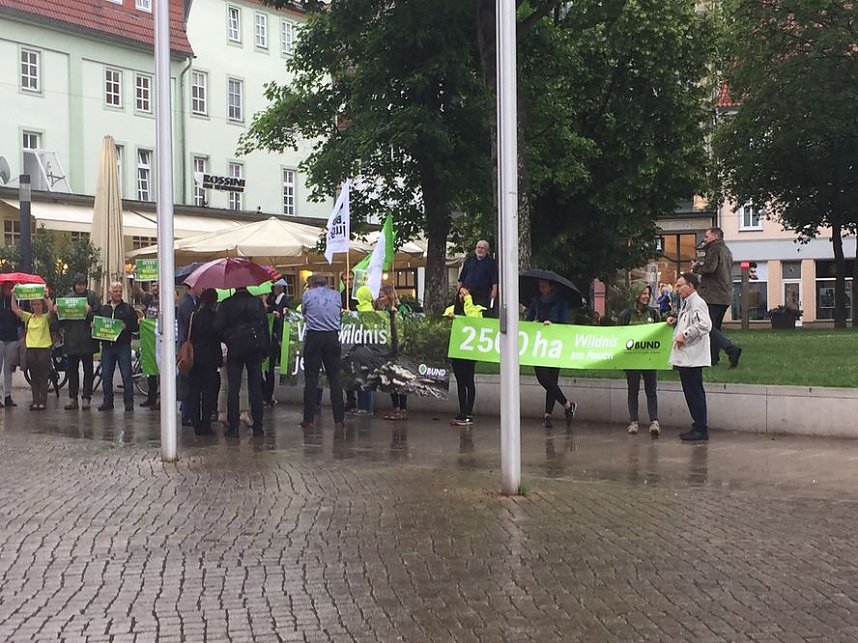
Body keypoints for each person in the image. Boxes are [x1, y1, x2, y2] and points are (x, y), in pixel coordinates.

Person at [215, 285, 269, 437]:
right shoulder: (256, 302)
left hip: (235, 348)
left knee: (233, 388)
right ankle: (258, 426)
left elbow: (218, 327)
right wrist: (265, 349)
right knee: (255, 387)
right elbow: (264, 326)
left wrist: (228, 338)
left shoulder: (227, 304)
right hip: (254, 348)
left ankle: (233, 427)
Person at [666, 272, 712, 442]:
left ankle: (701, 428)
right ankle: (698, 424)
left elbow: (705, 324)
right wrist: (676, 323)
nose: (677, 289)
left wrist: (685, 335)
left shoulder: (697, 303)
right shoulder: (687, 303)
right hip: (687, 357)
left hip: (693, 357)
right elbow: (689, 322)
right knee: (691, 392)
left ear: (690, 286)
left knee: (694, 392)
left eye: (680, 286)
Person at [525, 279, 578, 428]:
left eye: (544, 287)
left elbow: (565, 324)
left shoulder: (561, 302)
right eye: (540, 286)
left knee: (552, 379)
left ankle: (547, 415)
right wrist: (533, 323)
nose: (541, 289)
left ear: (551, 287)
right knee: (543, 378)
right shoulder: (536, 300)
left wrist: (553, 325)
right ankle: (568, 405)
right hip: (539, 344)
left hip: (555, 344)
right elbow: (528, 319)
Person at [692, 227, 742, 368]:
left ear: (714, 236)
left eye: (707, 236)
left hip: (712, 295)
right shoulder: (726, 251)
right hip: (724, 295)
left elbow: (710, 268)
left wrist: (696, 267)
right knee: (715, 327)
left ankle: (731, 349)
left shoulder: (714, 249)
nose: (704, 239)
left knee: (707, 327)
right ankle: (713, 359)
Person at [300, 274, 345, 429]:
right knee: (335, 378)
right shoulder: (336, 295)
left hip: (314, 336)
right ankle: (339, 418)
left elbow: (304, 313)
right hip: (332, 337)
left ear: (312, 283)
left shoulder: (308, 295)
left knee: (311, 378)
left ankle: (308, 419)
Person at [619, 282, 661, 437]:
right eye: (643, 294)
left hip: (649, 358)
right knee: (633, 390)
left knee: (651, 390)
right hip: (632, 360)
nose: (646, 297)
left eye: (647, 294)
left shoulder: (653, 313)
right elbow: (619, 334)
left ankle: (654, 421)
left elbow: (660, 330)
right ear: (636, 295)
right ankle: (634, 421)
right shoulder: (626, 315)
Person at [445, 286, 485, 426]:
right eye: (460, 293)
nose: (462, 295)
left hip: (469, 352)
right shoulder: (452, 308)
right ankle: (462, 411)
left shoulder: (476, 309)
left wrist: (468, 301)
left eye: (465, 293)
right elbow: (444, 318)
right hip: (457, 351)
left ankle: (468, 412)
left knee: (469, 382)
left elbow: (473, 319)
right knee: (460, 383)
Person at [59, 274, 100, 410]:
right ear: (74, 285)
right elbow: (61, 321)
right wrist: (56, 311)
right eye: (78, 284)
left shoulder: (92, 297)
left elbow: (98, 318)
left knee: (88, 371)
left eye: (83, 284)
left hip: (88, 341)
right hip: (72, 341)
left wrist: (90, 312)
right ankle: (72, 398)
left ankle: (86, 398)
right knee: (72, 371)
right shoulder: (67, 298)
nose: (81, 287)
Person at [97, 282, 139, 413]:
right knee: (106, 376)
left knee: (126, 376)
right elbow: (99, 324)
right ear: (110, 293)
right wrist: (95, 326)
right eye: (116, 291)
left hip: (123, 346)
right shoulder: (104, 309)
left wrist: (127, 326)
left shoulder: (128, 309)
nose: (118, 294)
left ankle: (129, 403)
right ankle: (108, 402)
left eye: (120, 291)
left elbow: (136, 327)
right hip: (107, 347)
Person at [10, 293, 56, 411]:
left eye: (39, 304)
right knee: (34, 378)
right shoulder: (28, 317)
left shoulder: (45, 317)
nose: (37, 306)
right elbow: (14, 309)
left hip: (44, 350)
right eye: (34, 304)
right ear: (31, 306)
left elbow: (52, 310)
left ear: (42, 305)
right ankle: (35, 401)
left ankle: (42, 401)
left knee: (43, 377)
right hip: (31, 350)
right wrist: (14, 295)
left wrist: (45, 297)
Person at [187, 288, 221, 436]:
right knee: (208, 392)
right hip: (210, 359)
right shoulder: (215, 317)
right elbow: (220, 336)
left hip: (194, 358)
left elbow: (187, 335)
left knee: (194, 391)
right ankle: (206, 423)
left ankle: (196, 422)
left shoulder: (193, 316)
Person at [378, 285, 410, 421]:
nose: (380, 299)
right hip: (389, 348)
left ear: (389, 296)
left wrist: (396, 315)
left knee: (400, 379)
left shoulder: (401, 308)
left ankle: (403, 409)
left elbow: (407, 323)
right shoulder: (383, 311)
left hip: (400, 349)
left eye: (382, 296)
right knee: (391, 378)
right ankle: (395, 407)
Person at [177, 285, 201, 426]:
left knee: (190, 380)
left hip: (189, 345)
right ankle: (186, 414)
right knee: (187, 380)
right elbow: (189, 325)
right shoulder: (187, 304)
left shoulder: (193, 301)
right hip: (187, 347)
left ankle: (187, 411)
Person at [263, 284, 289, 408]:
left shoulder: (275, 305)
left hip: (272, 341)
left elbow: (281, 320)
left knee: (269, 370)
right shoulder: (258, 308)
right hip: (263, 342)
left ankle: (268, 397)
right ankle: (266, 394)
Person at [457, 240, 498, 312]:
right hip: (467, 293)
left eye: (482, 248)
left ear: (486, 250)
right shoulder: (469, 260)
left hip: (483, 295)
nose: (480, 250)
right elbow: (461, 278)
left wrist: (494, 291)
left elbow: (494, 279)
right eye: (478, 247)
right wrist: (458, 291)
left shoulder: (491, 263)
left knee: (480, 313)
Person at [0, 283, 23, 407]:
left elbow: (20, 318)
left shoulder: (16, 301)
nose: (8, 290)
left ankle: (8, 395)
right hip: (0, 338)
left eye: (11, 288)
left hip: (12, 338)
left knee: (9, 369)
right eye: (6, 288)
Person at [138, 281, 160, 409]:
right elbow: (138, 291)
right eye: (153, 285)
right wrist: (135, 277)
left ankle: (162, 399)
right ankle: (151, 398)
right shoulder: (149, 298)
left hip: (161, 338)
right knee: (151, 370)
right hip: (150, 338)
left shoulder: (167, 298)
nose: (155, 288)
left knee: (162, 370)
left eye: (157, 285)